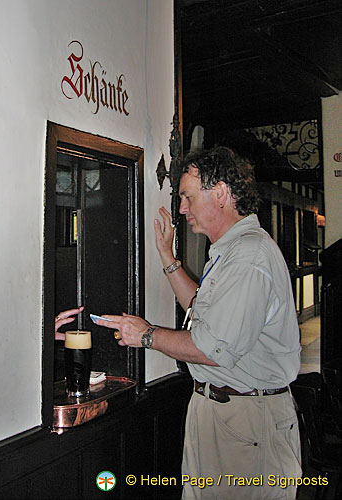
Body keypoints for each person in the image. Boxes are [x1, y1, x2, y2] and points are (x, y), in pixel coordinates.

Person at [96, 146, 302, 500]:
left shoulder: (248, 257)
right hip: (225, 414)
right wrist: (168, 258)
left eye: (188, 197)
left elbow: (211, 347)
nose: (181, 208)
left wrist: (146, 336)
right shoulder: (233, 252)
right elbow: (203, 310)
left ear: (220, 193)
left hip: (246, 421)